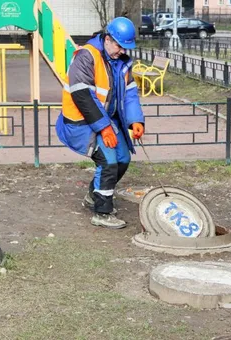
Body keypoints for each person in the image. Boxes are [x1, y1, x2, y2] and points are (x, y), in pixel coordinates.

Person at [56, 17, 145, 229]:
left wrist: (135, 120)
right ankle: (102, 213)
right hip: (82, 122)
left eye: (125, 47)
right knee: (109, 162)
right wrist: (104, 128)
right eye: (119, 46)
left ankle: (93, 196)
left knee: (122, 159)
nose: (122, 51)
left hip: (106, 120)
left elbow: (130, 93)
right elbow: (83, 96)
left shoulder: (121, 62)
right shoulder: (86, 56)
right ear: (107, 39)